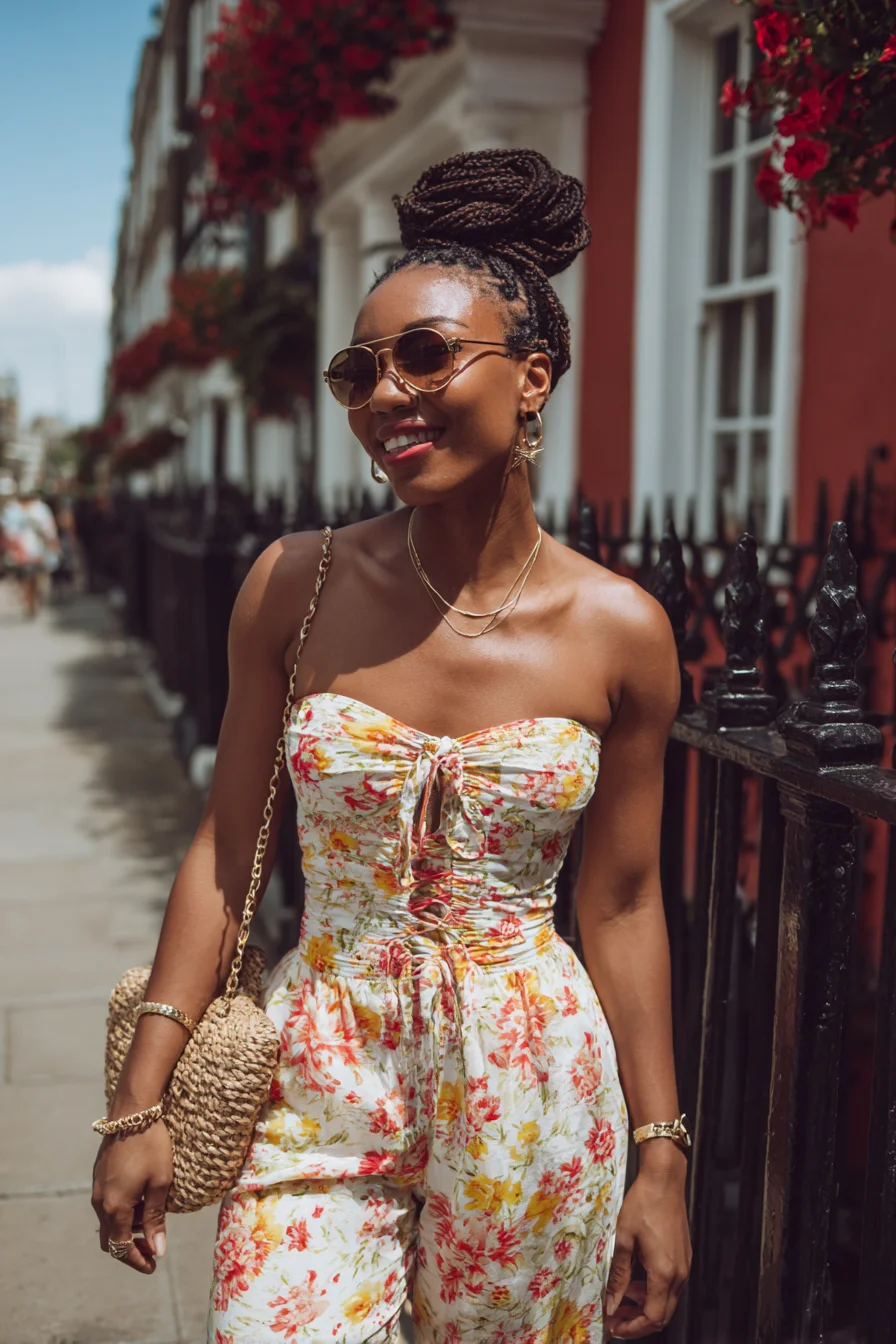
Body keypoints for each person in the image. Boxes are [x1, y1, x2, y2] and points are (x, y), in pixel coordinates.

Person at [92, 149, 691, 1342]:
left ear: (533, 378)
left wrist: (660, 1159)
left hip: (533, 1089)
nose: (384, 395)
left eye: (424, 355)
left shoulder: (618, 630)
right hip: (323, 1063)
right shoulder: (292, 585)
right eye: (357, 370)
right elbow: (225, 851)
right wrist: (136, 1101)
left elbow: (619, 903)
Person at [0, 483, 60, 617]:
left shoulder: (40, 509)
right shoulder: (13, 510)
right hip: (21, 548)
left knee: (35, 576)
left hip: (37, 548)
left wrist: (51, 544)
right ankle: (28, 600)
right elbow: (7, 532)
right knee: (24, 576)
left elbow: (48, 530)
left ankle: (33, 598)